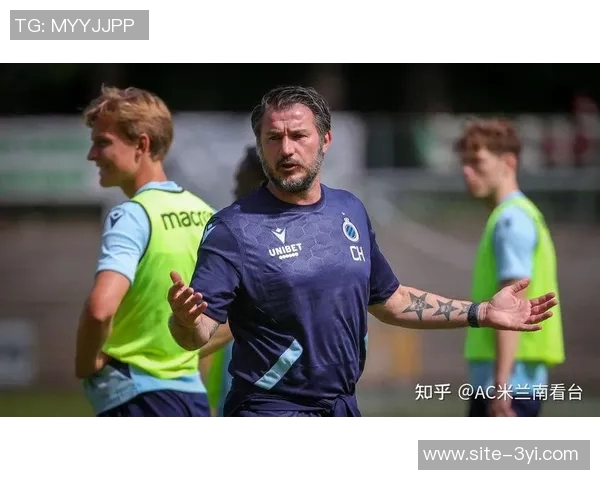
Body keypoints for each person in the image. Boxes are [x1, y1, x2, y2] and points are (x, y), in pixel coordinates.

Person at [166, 85, 558, 417]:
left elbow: (392, 300)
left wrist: (481, 312)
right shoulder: (233, 228)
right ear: (260, 145)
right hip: (270, 410)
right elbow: (198, 334)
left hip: (343, 408)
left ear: (325, 140)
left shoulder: (348, 209)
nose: (286, 149)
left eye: (298, 135)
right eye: (273, 138)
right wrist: (184, 322)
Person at [74, 85, 217, 417]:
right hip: (192, 399)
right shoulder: (208, 215)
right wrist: (187, 361)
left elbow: (100, 309)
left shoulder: (132, 215)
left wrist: (85, 364)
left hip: (137, 396)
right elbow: (228, 319)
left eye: (102, 143)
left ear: (141, 144)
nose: (92, 155)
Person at [456, 119, 565, 417]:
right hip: (515, 380)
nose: (466, 170)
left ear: (508, 162)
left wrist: (501, 385)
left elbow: (512, 304)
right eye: (464, 162)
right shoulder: (519, 214)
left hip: (506, 385)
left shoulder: (511, 220)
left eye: (476, 161)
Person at [201, 145, 267, 416]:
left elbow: (232, 320)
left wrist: (177, 356)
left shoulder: (253, 239)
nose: (234, 188)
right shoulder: (232, 230)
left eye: (241, 181)